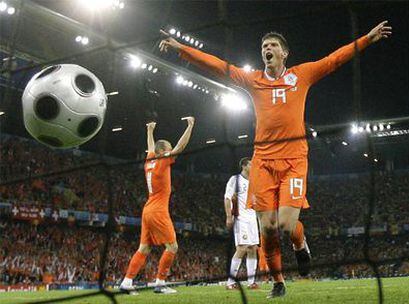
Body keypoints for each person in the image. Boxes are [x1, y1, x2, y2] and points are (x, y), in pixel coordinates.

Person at [159, 21, 392, 298]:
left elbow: (333, 60)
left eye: (272, 46)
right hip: (263, 163)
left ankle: (300, 243)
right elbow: (220, 67)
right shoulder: (253, 80)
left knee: (286, 224)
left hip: (294, 160)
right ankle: (278, 281)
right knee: (267, 229)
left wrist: (366, 38)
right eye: (263, 47)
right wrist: (182, 50)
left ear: (284, 54)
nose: (267, 49)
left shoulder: (301, 75)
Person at [120, 117, 195, 294]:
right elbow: (180, 147)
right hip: (159, 210)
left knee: (143, 248)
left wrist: (150, 131)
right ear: (163, 151)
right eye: (168, 150)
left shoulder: (149, 161)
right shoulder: (162, 160)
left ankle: (126, 282)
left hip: (147, 209)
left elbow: (151, 147)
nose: (171, 152)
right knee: (173, 247)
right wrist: (190, 126)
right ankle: (160, 283)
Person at [224, 157, 259, 290]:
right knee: (242, 248)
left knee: (253, 248)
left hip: (252, 218)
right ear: (244, 166)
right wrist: (229, 216)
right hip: (241, 219)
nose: (253, 167)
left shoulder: (254, 182)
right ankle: (230, 282)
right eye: (251, 165)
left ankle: (251, 282)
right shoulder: (235, 180)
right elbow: (227, 198)